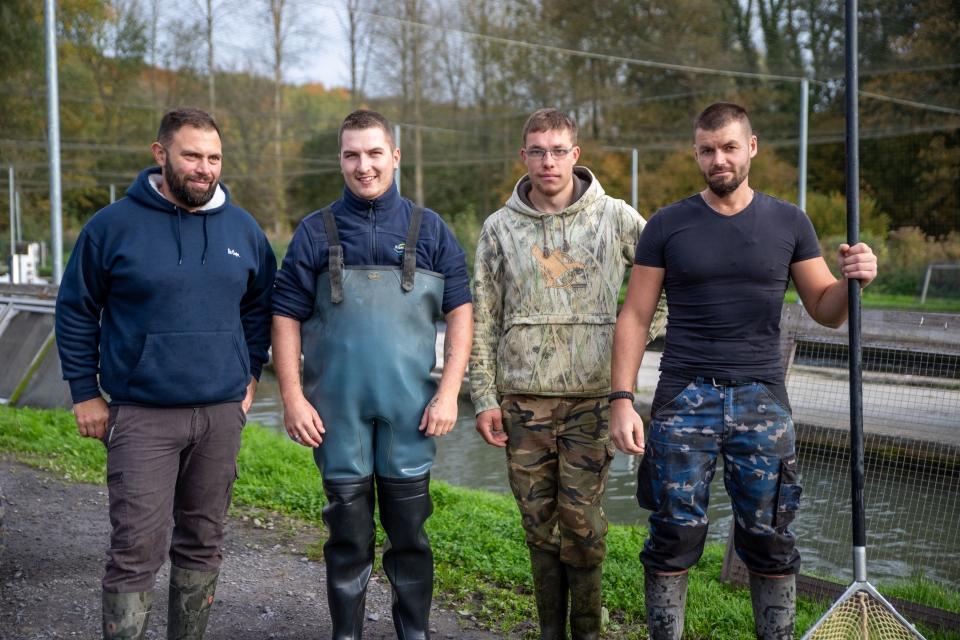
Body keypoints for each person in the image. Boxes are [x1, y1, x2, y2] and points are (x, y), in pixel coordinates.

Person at [610, 102, 878, 640]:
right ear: (695, 153)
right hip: (683, 399)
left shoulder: (789, 222)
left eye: (730, 147)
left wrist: (855, 282)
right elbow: (635, 316)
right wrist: (621, 399)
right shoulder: (667, 224)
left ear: (751, 147)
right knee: (672, 534)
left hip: (762, 401)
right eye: (707, 150)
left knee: (770, 536)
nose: (719, 159)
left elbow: (825, 308)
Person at [56, 107, 277, 640]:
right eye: (191, 156)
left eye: (214, 158)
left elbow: (261, 306)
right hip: (142, 415)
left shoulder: (243, 229)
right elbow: (76, 309)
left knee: (203, 542)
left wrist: (250, 373)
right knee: (135, 548)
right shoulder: (111, 226)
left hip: (220, 416)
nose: (204, 168)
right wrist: (85, 392)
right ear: (161, 155)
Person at [271, 109, 473, 640]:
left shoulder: (431, 229)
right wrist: (292, 397)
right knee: (347, 536)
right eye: (352, 155)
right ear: (340, 160)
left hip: (412, 415)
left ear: (395, 157)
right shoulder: (314, 232)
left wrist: (449, 392)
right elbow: (284, 316)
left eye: (374, 153)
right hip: (336, 416)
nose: (364, 166)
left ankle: (415, 634)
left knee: (410, 537)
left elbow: (461, 312)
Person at [470, 108, 667, 640]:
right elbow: (483, 318)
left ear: (575, 154)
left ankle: (587, 633)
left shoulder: (617, 218)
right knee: (538, 526)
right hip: (521, 403)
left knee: (581, 526)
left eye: (558, 151)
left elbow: (667, 285)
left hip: (593, 402)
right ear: (524, 156)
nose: (548, 161)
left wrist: (629, 340)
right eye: (537, 151)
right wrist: (484, 397)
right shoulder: (499, 229)